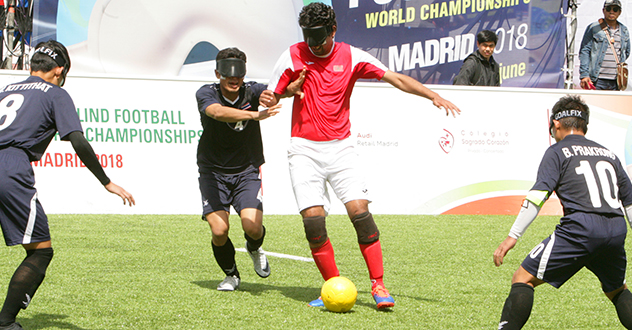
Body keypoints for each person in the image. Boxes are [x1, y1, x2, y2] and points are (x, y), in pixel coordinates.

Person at [266, 2, 460, 310]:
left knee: (359, 212)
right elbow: (271, 96)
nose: (314, 46)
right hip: (303, 148)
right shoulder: (291, 54)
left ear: (333, 29)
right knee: (313, 222)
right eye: (309, 39)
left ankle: (378, 284)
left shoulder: (352, 55)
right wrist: (283, 92)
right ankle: (333, 285)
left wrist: (432, 95)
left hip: (341, 148)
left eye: (320, 38)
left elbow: (394, 78)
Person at [0, 40, 135, 330]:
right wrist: (106, 181)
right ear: (59, 70)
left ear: (32, 65)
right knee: (41, 251)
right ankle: (5, 324)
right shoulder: (56, 93)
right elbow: (78, 140)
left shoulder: (3, 90)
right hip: (9, 166)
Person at [493, 95, 632, 330]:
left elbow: (537, 197)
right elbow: (631, 203)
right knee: (618, 290)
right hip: (615, 229)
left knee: (522, 279)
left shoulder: (556, 151)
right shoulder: (609, 154)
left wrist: (512, 237)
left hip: (580, 229)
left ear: (556, 124)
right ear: (584, 125)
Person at [195, 47, 282, 291]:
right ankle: (231, 274)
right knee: (220, 229)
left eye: (239, 74)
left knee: (252, 228)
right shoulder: (205, 93)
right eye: (227, 74)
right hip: (213, 172)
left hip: (246, 171)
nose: (234, 79)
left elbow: (274, 93)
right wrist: (255, 115)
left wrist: (276, 96)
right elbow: (217, 112)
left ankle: (254, 248)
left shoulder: (252, 90)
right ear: (217, 73)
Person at [579, 0, 629, 91]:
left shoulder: (624, 30)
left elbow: (626, 52)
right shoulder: (594, 28)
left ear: (620, 12)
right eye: (608, 9)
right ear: (603, 10)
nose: (612, 11)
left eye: (615, 9)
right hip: (597, 79)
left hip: (616, 80)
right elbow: (584, 51)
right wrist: (584, 75)